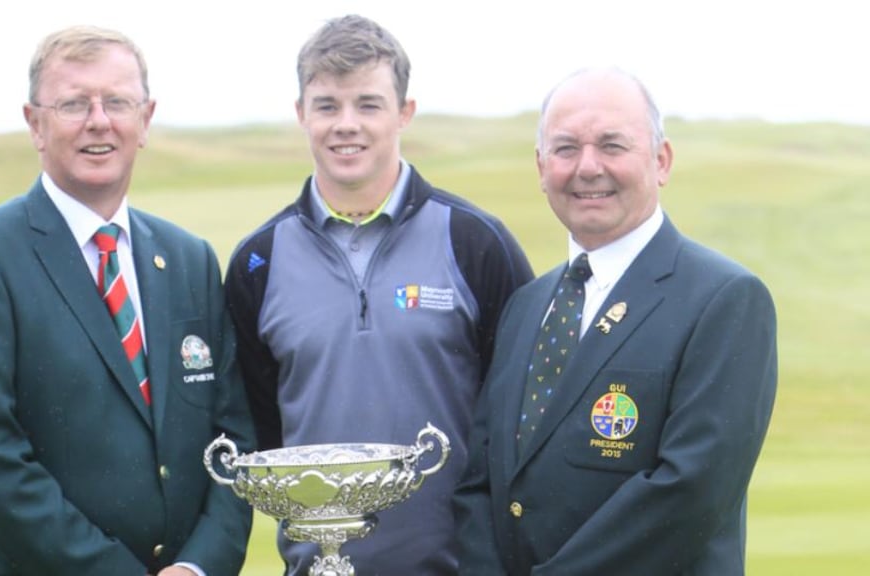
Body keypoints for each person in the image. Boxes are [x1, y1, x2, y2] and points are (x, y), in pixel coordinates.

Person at [0, 25, 254, 576]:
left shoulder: (189, 257)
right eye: (74, 103)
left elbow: (232, 436)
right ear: (35, 124)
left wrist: (200, 566)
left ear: (145, 120)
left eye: (118, 101)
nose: (99, 121)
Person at [224, 14, 534, 575]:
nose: (347, 125)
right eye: (327, 105)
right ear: (301, 114)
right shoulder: (257, 262)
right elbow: (264, 429)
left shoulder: (475, 243)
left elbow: (518, 420)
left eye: (368, 104)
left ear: (404, 113)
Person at [453, 67, 778, 575]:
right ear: (541, 167)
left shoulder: (724, 299)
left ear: (661, 160)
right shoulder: (527, 305)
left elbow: (689, 492)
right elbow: (481, 482)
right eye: (565, 149)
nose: (587, 167)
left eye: (612, 145)